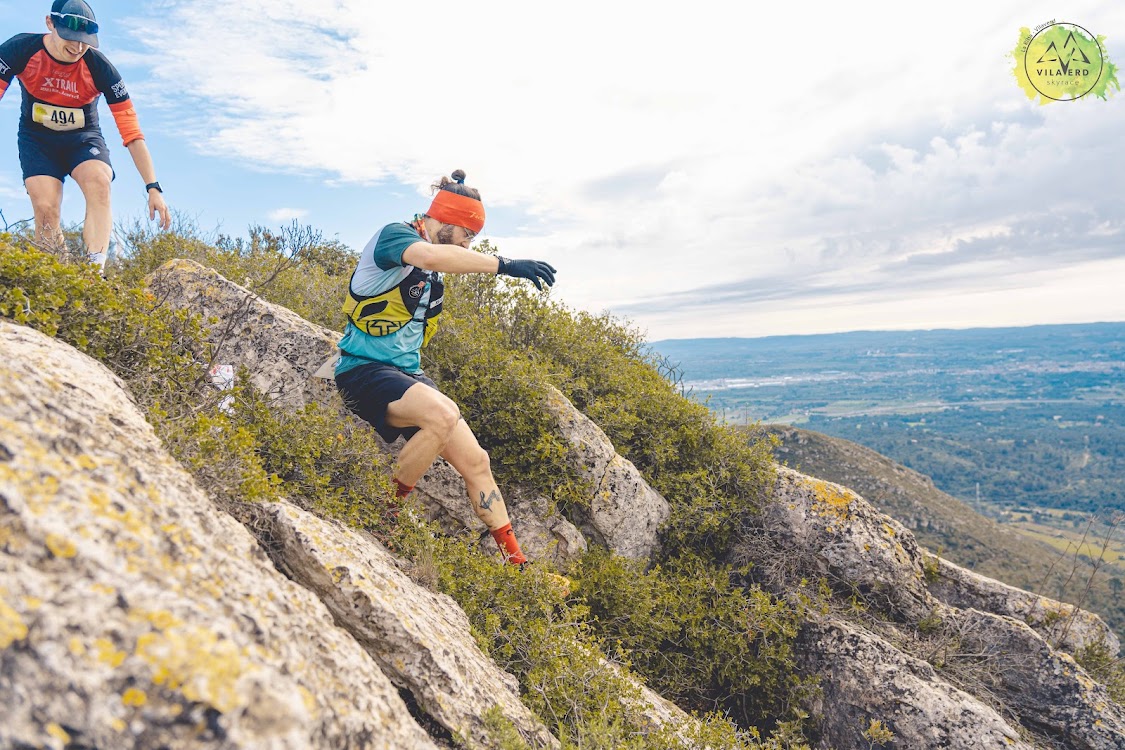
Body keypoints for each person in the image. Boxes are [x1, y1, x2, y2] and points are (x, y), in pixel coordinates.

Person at [334, 169, 556, 566]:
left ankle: (517, 563)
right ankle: (386, 515)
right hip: (362, 369)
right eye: (468, 235)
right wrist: (506, 265)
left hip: (407, 374)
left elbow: (444, 259)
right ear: (448, 222)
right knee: (443, 414)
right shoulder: (396, 236)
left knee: (477, 462)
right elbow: (432, 255)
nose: (470, 244)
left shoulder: (435, 261)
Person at [0, 0, 171, 270]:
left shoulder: (100, 68)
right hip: (37, 139)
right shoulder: (19, 49)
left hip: (83, 139)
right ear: (50, 23)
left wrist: (153, 187)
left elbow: (132, 132)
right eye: (71, 38)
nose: (78, 47)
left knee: (99, 183)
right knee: (46, 208)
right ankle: (56, 276)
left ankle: (94, 273)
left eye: (86, 41)